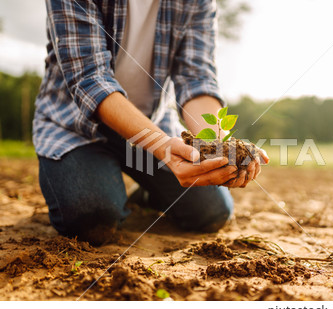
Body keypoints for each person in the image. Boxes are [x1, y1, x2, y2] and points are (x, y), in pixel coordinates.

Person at [33, 0, 268, 245]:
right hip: (74, 126)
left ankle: (147, 193)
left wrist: (217, 150)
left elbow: (197, 79)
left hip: (154, 123)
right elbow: (91, 80)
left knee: (210, 210)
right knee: (93, 217)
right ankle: (102, 182)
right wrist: (162, 146)